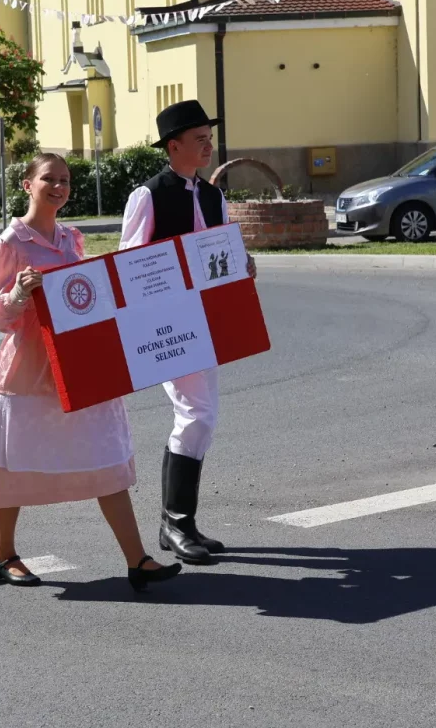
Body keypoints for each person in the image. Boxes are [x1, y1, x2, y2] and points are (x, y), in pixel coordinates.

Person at [0, 153, 181, 593]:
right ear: (27, 184)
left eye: (65, 180)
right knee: (13, 465)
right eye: (49, 179)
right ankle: (3, 553)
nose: (59, 187)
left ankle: (137, 560)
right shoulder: (8, 244)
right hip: (28, 369)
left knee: (105, 457)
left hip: (81, 365)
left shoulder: (72, 240)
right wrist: (18, 294)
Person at [119, 99, 257, 566]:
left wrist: (241, 266)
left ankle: (179, 522)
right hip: (168, 324)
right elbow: (129, 266)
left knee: (204, 415)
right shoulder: (149, 195)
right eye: (199, 140)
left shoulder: (214, 195)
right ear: (173, 146)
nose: (208, 147)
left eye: (209, 139)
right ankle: (175, 523)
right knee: (196, 413)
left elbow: (217, 254)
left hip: (205, 322)